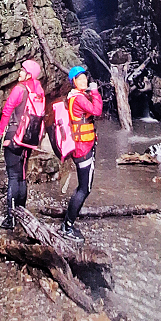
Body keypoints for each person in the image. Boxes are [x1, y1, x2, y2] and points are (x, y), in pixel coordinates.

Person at [0, 59, 45, 230]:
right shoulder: (38, 90)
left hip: (14, 137)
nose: (20, 73)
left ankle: (11, 219)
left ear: (29, 74)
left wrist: (0, 134)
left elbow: (7, 110)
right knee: (22, 175)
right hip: (29, 139)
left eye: (22, 70)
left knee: (13, 177)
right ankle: (22, 213)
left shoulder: (19, 89)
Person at [62, 65, 103, 242]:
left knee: (83, 187)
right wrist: (95, 92)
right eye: (80, 79)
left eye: (85, 78)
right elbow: (97, 110)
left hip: (83, 146)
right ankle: (67, 226)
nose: (84, 81)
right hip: (83, 149)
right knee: (84, 189)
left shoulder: (75, 96)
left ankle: (68, 223)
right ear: (74, 82)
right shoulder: (78, 98)